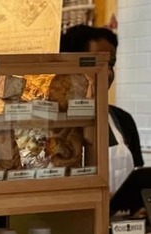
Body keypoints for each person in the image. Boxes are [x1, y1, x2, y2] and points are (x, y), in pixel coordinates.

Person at [60, 25, 145, 194]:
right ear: (72, 66)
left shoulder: (123, 120)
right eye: (97, 64)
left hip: (119, 219)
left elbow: (139, 183)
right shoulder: (55, 122)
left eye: (111, 65)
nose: (107, 73)